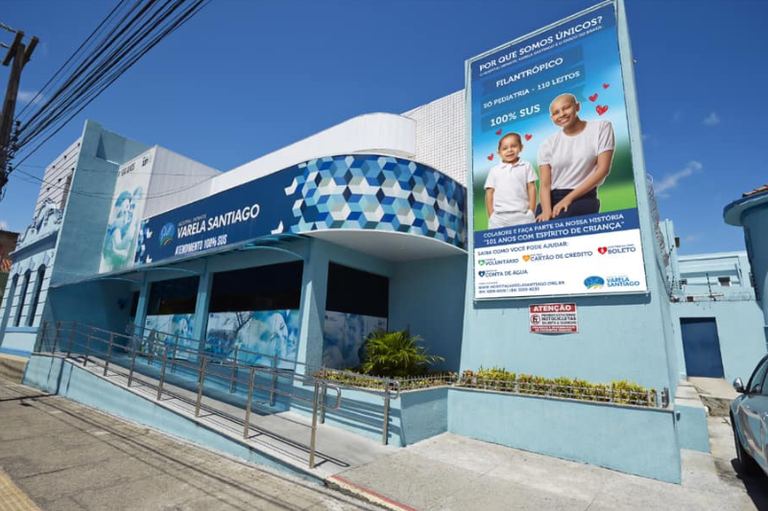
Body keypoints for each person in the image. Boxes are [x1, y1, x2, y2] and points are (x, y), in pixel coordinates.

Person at [535, 93, 615, 221]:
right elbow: (544, 184)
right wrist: (546, 211)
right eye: (556, 113)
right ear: (552, 117)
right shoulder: (547, 143)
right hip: (551, 197)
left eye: (566, 108)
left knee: (560, 222)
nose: (562, 114)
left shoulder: (601, 127)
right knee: (539, 226)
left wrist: (568, 199)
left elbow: (603, 169)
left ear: (577, 106)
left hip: (584, 196)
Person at [484, 132, 537, 229]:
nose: (509, 150)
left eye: (513, 146)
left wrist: (531, 211)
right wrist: (491, 216)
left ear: (521, 147)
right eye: (505, 148)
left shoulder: (526, 166)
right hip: (499, 217)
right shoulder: (494, 170)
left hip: (522, 215)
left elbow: (531, 188)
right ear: (499, 153)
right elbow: (489, 193)